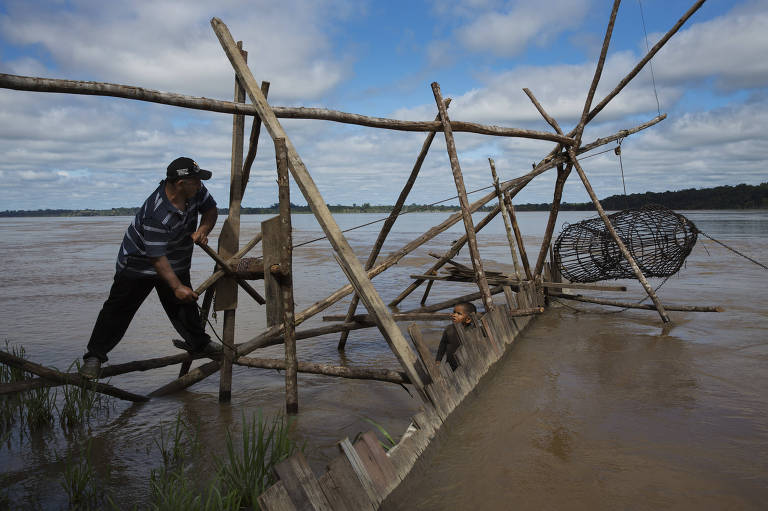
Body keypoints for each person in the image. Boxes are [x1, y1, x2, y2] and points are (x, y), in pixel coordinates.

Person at [79, 157, 222, 379]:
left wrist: (204, 229)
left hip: (176, 259)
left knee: (184, 307)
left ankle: (200, 344)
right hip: (138, 264)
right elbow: (156, 258)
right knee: (118, 311)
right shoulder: (156, 213)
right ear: (180, 183)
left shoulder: (197, 192)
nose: (201, 185)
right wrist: (175, 286)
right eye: (196, 180)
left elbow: (211, 210)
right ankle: (94, 357)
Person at [435, 301, 477, 371]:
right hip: (450, 364)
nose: (454, 315)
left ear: (468, 319)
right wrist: (438, 360)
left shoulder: (473, 331)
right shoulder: (449, 329)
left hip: (467, 365)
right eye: (454, 312)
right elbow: (442, 345)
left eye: (459, 314)